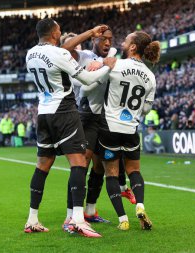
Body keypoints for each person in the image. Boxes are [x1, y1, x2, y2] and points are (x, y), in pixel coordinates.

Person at [23, 18, 116, 237]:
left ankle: (32, 219)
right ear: (55, 33)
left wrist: (90, 32)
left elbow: (62, 50)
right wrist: (106, 66)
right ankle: (77, 220)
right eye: (60, 30)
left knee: (42, 165)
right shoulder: (60, 54)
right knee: (78, 163)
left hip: (43, 112)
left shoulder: (31, 54)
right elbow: (87, 79)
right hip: (64, 111)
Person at [61, 26, 135, 228]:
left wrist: (106, 61)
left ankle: (90, 211)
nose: (108, 43)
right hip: (84, 115)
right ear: (94, 39)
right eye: (103, 39)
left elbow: (116, 58)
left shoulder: (111, 54)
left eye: (110, 39)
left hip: (103, 117)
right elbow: (84, 86)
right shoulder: (82, 56)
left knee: (100, 166)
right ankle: (70, 217)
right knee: (80, 164)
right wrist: (103, 61)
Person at [98, 31, 160, 230]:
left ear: (133, 47)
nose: (123, 42)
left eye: (126, 40)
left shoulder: (116, 64)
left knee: (112, 174)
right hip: (131, 128)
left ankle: (123, 220)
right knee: (134, 171)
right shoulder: (150, 76)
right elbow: (146, 109)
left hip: (109, 126)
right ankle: (140, 205)